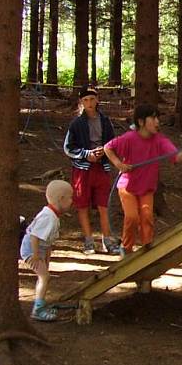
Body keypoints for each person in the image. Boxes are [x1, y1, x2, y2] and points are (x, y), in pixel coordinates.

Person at [104, 104, 182, 256]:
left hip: (147, 188)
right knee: (131, 217)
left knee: (147, 217)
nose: (157, 122)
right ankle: (127, 249)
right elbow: (108, 147)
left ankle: (146, 250)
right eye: (153, 118)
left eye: (158, 118)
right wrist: (119, 164)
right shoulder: (129, 138)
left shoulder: (159, 140)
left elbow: (175, 156)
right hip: (127, 187)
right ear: (141, 122)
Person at [63, 88, 120, 255]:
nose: (89, 103)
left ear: (97, 100)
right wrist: (86, 154)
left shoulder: (105, 121)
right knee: (83, 205)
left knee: (104, 205)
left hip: (102, 168)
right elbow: (68, 148)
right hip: (82, 170)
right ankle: (88, 241)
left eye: (92, 99)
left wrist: (104, 151)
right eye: (85, 100)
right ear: (81, 102)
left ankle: (107, 240)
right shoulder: (76, 124)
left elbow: (112, 142)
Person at [20, 179, 74, 322]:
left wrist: (46, 257)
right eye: (70, 198)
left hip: (40, 250)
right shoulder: (48, 217)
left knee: (44, 276)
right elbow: (34, 236)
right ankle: (38, 309)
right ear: (61, 199)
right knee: (44, 277)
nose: (72, 201)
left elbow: (48, 241)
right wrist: (36, 256)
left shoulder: (53, 216)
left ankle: (41, 304)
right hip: (31, 250)